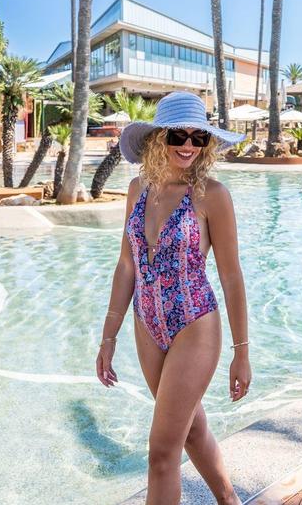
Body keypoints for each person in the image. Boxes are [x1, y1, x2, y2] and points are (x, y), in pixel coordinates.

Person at [96, 92, 251, 505]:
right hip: (146, 325)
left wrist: (242, 352)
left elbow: (231, 276)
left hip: (194, 324)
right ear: (157, 138)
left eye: (198, 138)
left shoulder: (212, 195)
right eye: (178, 136)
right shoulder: (137, 189)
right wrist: (108, 337)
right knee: (192, 430)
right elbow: (126, 265)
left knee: (162, 454)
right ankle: (230, 501)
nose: (188, 145)